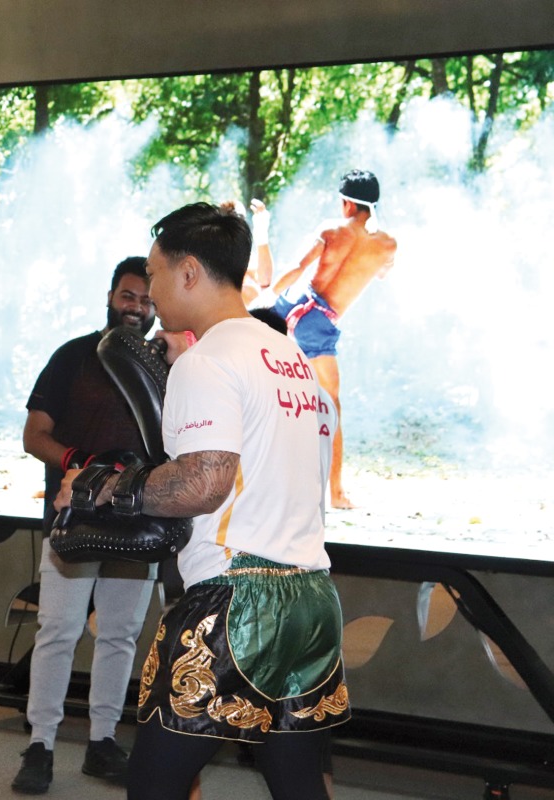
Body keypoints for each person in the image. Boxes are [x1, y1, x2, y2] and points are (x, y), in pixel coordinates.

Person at [57, 203, 349, 800]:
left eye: (156, 274)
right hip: (312, 602)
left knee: (153, 786)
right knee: (296, 781)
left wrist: (102, 489)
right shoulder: (291, 359)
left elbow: (204, 482)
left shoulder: (208, 359)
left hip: (236, 604)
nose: (153, 293)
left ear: (189, 272)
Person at [12, 257, 159, 794]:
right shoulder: (73, 355)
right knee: (58, 631)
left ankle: (102, 742)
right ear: (111, 295)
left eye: (146, 300)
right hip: (74, 518)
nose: (136, 308)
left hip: (138, 520)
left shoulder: (165, 364)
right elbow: (34, 435)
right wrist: (78, 462)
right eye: (128, 296)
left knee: (120, 634)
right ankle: (40, 745)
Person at [271, 169, 397, 509]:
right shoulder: (387, 244)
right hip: (319, 322)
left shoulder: (330, 229)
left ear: (346, 204)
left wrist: (266, 296)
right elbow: (384, 272)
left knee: (269, 391)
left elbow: (298, 268)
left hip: (291, 308)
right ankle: (337, 493)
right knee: (330, 406)